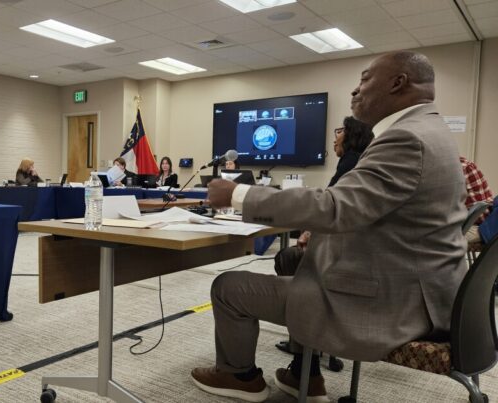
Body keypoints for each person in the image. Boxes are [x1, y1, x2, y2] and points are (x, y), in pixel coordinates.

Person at [194, 51, 467, 402]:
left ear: (398, 83)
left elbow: (336, 206)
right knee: (296, 260)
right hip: (414, 283)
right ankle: (304, 375)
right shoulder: (430, 129)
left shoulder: (408, 138)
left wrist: (238, 195)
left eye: (365, 79)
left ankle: (239, 376)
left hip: (392, 303)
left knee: (229, 286)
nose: (355, 91)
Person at [273, 116, 374, 353]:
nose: (334, 137)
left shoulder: (350, 163)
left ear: (352, 136)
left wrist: (311, 230)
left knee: (287, 258)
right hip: (361, 255)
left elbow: (330, 208)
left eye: (340, 131)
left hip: (345, 260)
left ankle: (305, 346)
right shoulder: (362, 162)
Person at [460, 156, 493, 244]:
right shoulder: (465, 164)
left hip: (476, 226)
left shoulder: (463, 166)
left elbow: (480, 216)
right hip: (481, 222)